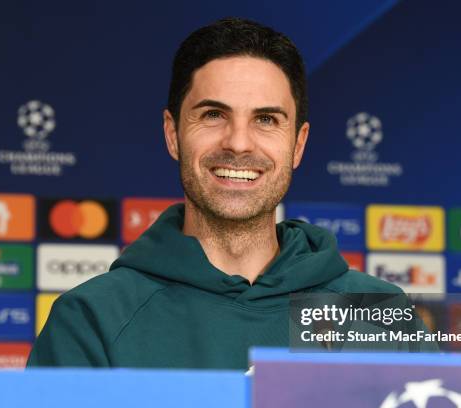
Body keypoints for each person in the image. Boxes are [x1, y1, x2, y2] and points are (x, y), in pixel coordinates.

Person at [27, 17, 435, 369]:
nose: (238, 143)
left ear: (298, 145)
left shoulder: (382, 314)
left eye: (266, 119)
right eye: (213, 115)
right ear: (173, 134)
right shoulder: (90, 319)